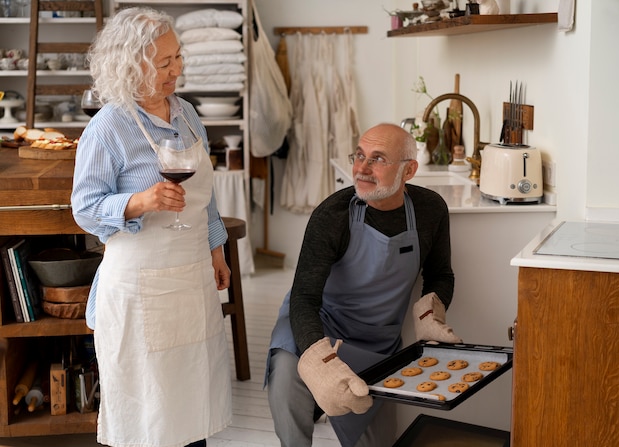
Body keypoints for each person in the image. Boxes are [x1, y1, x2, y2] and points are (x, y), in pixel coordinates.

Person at [71, 7, 231, 447]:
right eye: (165, 63)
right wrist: (139, 202)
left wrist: (216, 251)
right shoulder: (107, 128)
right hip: (139, 289)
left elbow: (207, 198)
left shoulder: (187, 114)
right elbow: (84, 208)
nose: (177, 69)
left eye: (177, 57)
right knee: (146, 417)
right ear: (131, 64)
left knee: (190, 405)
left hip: (192, 279)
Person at [266, 123, 462, 447]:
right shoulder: (332, 215)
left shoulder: (431, 211)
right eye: (359, 156)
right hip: (318, 328)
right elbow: (303, 297)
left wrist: (431, 314)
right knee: (286, 378)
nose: (362, 169)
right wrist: (321, 362)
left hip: (377, 344)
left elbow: (440, 273)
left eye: (377, 159)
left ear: (409, 170)